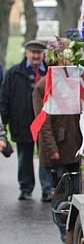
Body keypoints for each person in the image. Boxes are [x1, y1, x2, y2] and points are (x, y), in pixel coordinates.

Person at [32, 43, 84, 240]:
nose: (68, 62)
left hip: (76, 145)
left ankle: (75, 233)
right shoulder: (42, 86)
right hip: (58, 149)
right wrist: (52, 149)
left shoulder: (76, 82)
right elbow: (42, 121)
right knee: (62, 194)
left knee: (78, 192)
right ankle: (64, 234)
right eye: (65, 58)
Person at [0, 40, 52, 201]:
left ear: (43, 54)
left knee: (45, 155)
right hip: (21, 122)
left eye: (39, 53)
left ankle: (47, 189)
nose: (36, 56)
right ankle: (25, 188)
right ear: (26, 53)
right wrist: (5, 122)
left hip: (45, 122)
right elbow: (4, 98)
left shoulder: (51, 72)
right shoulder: (14, 72)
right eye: (32, 52)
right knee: (24, 157)